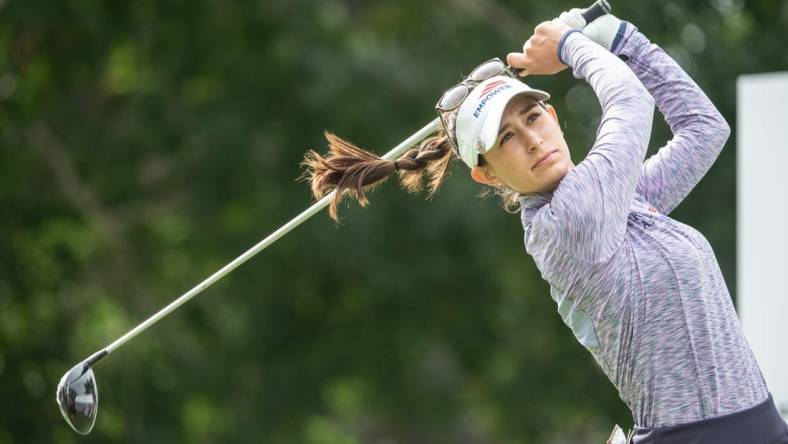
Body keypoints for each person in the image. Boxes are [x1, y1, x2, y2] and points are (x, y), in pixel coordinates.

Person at [301, 9, 788, 444]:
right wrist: (570, 45)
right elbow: (632, 105)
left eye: (533, 117)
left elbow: (705, 127)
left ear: (552, 116)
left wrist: (621, 37)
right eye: (507, 138)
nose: (532, 140)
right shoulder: (565, 224)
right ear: (486, 173)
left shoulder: (625, 202)